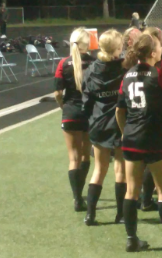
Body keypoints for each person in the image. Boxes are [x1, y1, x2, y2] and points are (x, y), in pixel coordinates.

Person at [116, 34, 162, 252]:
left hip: (130, 138)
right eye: (159, 46)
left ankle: (132, 239)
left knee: (132, 191)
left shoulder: (127, 75)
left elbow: (119, 111)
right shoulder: (159, 74)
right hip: (153, 138)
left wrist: (124, 132)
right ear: (152, 53)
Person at [81, 29, 127, 226]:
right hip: (119, 122)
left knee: (99, 169)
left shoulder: (91, 70)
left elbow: (86, 100)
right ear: (118, 48)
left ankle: (90, 215)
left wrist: (91, 118)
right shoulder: (124, 69)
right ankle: (121, 214)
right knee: (121, 169)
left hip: (99, 123)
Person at [54, 28, 95, 212]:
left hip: (70, 112)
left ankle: (77, 197)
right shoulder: (94, 63)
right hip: (89, 113)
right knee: (86, 155)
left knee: (73, 158)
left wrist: (63, 106)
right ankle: (80, 189)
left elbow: (57, 92)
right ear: (87, 44)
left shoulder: (63, 63)